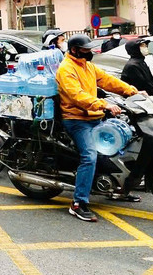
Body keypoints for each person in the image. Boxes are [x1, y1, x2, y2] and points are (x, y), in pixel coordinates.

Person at [55, 34, 139, 222]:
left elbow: (108, 80)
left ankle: (119, 189)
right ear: (75, 50)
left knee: (122, 143)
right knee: (89, 156)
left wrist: (131, 91)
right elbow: (77, 95)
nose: (90, 52)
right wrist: (103, 104)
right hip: (77, 120)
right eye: (86, 49)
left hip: (95, 116)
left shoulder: (88, 66)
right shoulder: (66, 69)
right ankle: (78, 203)